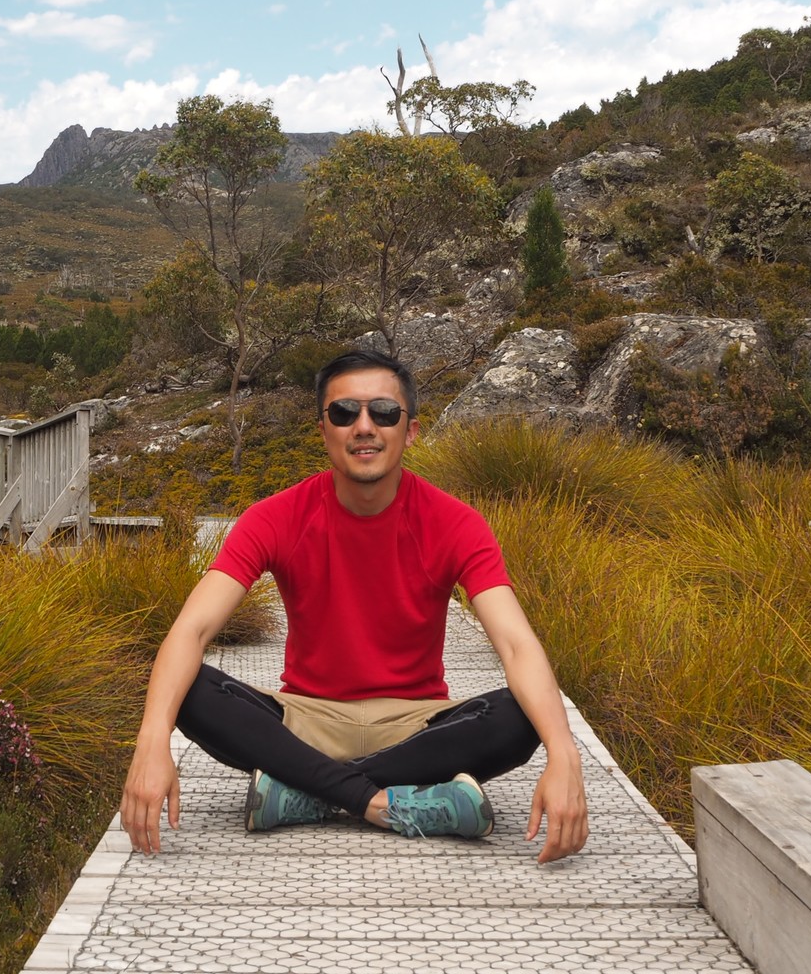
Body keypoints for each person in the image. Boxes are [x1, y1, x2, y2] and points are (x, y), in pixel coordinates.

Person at [118, 349, 590, 862]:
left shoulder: (456, 524)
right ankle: (383, 800)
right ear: (324, 430)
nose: (364, 426)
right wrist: (151, 740)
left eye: (384, 412)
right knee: (191, 692)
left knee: (522, 717)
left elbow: (518, 646)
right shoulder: (272, 518)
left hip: (416, 725)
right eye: (344, 413)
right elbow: (190, 631)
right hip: (305, 721)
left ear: (409, 430)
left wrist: (564, 756)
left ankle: (307, 794)